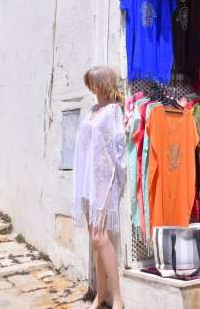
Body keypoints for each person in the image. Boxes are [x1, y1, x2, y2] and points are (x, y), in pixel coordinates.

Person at [73, 66, 126, 309]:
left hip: (104, 183)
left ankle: (117, 298)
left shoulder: (113, 111)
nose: (91, 87)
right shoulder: (93, 110)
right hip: (88, 182)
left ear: (103, 84)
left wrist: (114, 184)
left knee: (101, 238)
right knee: (94, 240)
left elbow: (117, 150)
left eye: (94, 82)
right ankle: (101, 293)